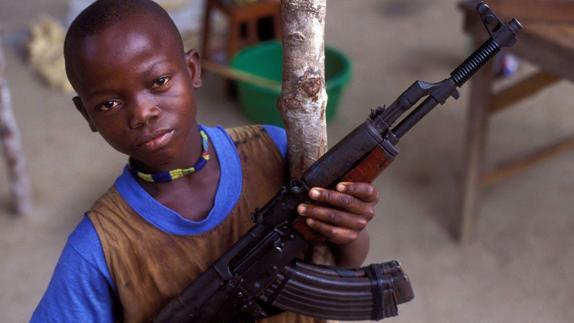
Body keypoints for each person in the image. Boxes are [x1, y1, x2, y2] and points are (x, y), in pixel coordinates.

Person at [31, 0, 379, 322]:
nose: (142, 113)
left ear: (193, 69)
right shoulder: (99, 248)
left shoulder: (274, 149)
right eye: (108, 104)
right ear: (86, 115)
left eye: (160, 81)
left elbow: (342, 265)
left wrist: (345, 227)